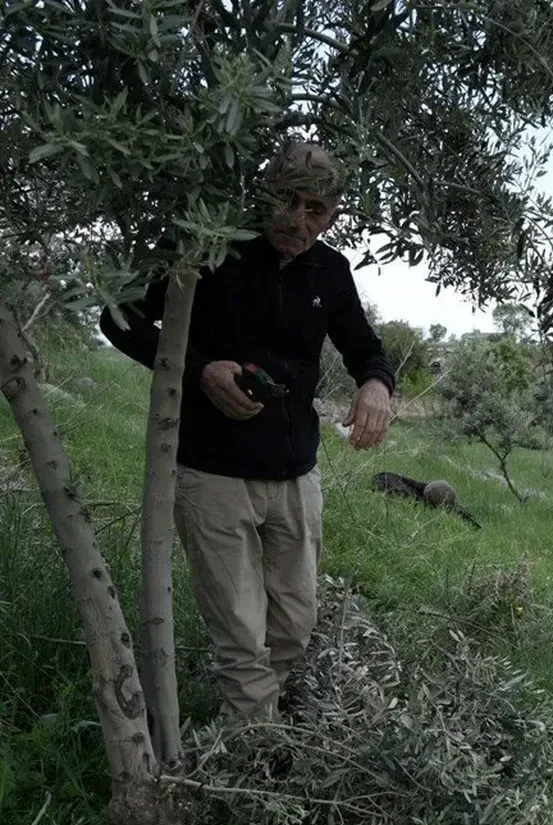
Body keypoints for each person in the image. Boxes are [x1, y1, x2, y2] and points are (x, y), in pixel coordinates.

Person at [100, 142, 396, 718]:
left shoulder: (330, 271)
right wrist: (196, 369)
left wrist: (377, 385)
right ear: (263, 194)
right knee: (241, 638)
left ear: (332, 216)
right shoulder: (210, 249)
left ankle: (253, 734)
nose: (298, 221)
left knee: (294, 626)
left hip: (295, 475)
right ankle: (254, 757)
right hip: (211, 472)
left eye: (317, 210)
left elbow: (365, 347)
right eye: (287, 201)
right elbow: (118, 316)